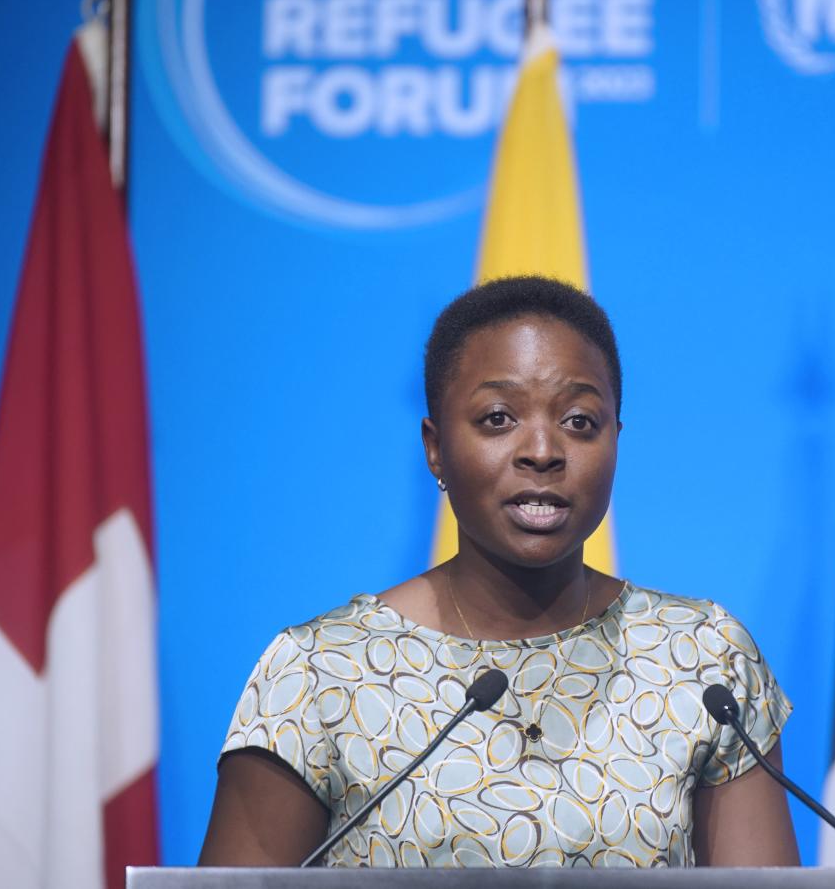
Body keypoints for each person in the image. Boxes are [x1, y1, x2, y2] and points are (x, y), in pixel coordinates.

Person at [198, 276, 800, 868]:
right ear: (434, 447)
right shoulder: (321, 674)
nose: (542, 450)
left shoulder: (704, 662)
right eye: (497, 418)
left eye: (579, 421)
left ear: (616, 440)